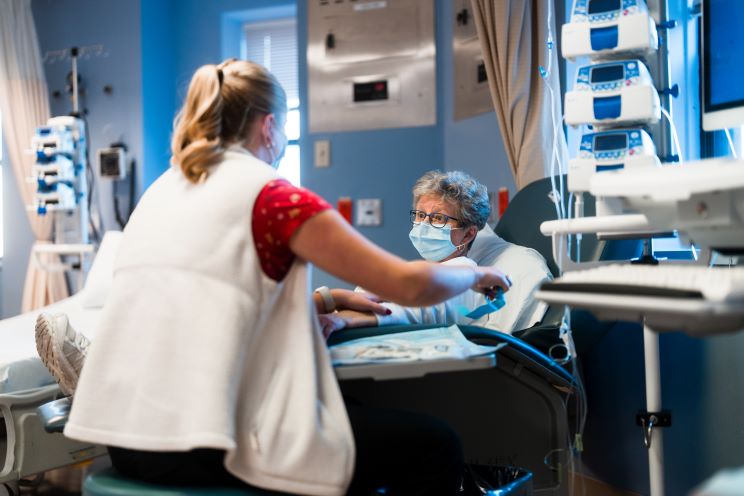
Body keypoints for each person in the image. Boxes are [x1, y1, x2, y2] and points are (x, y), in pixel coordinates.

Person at [37, 59, 510, 496]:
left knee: (355, 419)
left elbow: (209, 304)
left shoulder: (165, 187)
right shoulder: (274, 198)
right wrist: (475, 270)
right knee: (435, 444)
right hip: (199, 440)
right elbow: (410, 285)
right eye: (283, 130)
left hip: (127, 435)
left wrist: (327, 302)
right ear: (269, 126)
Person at [320, 170, 541, 338]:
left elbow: (416, 309)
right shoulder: (424, 270)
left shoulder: (464, 272)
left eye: (438, 219)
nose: (423, 225)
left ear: (467, 235)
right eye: (419, 215)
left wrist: (340, 320)